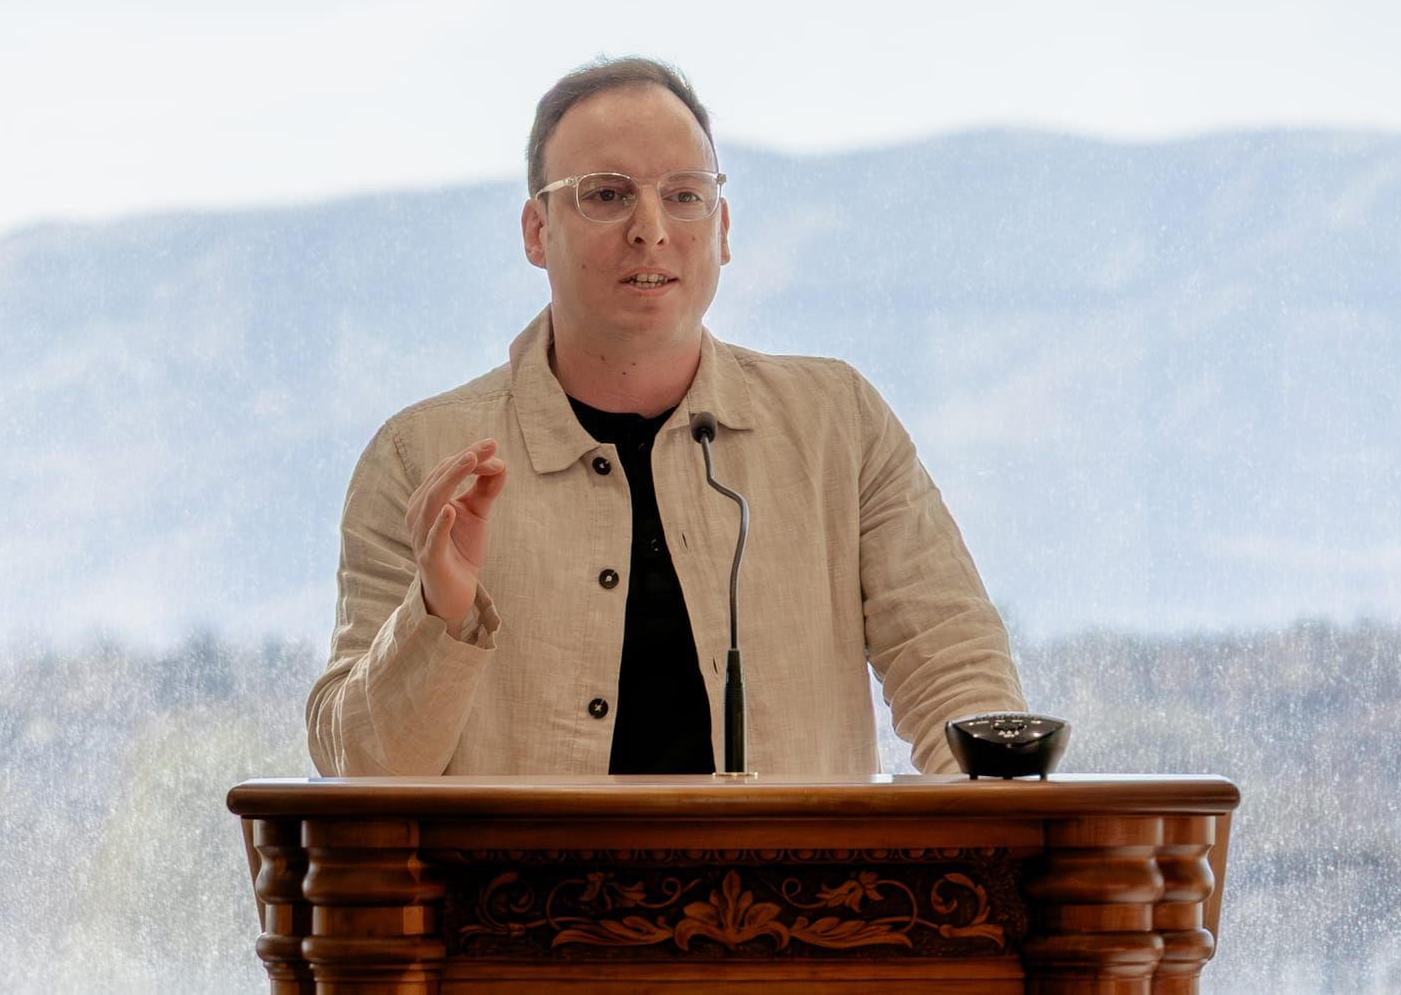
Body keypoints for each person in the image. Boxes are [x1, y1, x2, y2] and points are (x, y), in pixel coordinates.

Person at [306, 57, 1024, 776]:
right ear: (535, 230)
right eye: (608, 195)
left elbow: (957, 677)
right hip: (516, 892)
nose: (650, 229)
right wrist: (440, 611)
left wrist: (987, 847)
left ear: (723, 229)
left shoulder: (839, 425)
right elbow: (360, 772)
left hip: (800, 890)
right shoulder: (420, 457)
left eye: (685, 195)